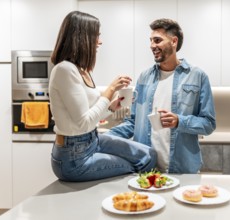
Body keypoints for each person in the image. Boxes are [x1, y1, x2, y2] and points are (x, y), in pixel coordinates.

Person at [49, 11, 156, 182]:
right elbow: (83, 122)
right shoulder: (64, 70)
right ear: (82, 37)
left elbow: (89, 115)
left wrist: (112, 107)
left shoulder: (81, 70)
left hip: (92, 141)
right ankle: (133, 203)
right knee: (136, 164)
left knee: (148, 155)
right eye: (96, 36)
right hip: (73, 157)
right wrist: (111, 89)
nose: (99, 41)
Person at [106, 18, 216, 174]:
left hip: (182, 170)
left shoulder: (197, 76)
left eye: (157, 40)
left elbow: (208, 123)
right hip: (146, 168)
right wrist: (102, 138)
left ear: (174, 41)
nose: (152, 46)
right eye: (151, 41)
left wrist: (179, 121)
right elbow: (133, 122)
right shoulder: (144, 77)